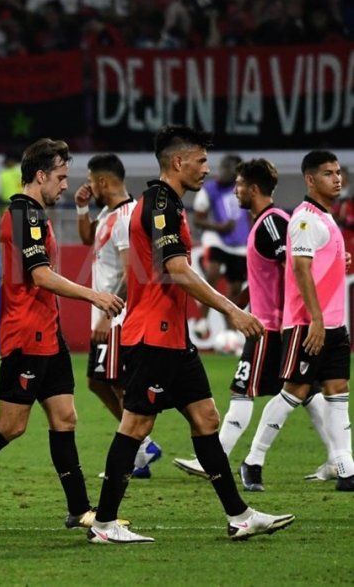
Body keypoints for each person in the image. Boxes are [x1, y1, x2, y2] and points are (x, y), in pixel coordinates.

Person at [88, 126, 293, 544]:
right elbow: (177, 270)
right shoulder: (160, 203)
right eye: (201, 160)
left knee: (206, 419)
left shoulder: (168, 203)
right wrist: (233, 310)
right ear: (178, 161)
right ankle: (104, 524)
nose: (207, 169)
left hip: (173, 338)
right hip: (152, 336)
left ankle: (239, 516)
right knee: (136, 425)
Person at [0, 138, 124, 532]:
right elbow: (40, 275)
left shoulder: (34, 214)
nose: (65, 185)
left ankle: (79, 509)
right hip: (26, 334)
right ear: (40, 176)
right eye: (61, 177)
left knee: (65, 417)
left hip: (47, 332)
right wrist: (93, 295)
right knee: (11, 424)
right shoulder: (22, 214)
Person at [174, 159, 331, 480]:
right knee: (306, 391)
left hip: (269, 326)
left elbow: (293, 269)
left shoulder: (272, 223)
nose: (236, 191)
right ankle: (338, 457)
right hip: (275, 322)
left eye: (240, 185)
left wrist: (292, 316)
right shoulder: (267, 221)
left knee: (242, 389)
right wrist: (239, 304)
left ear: (254, 189)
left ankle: (215, 459)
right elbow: (265, 275)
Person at [239, 150, 354, 493]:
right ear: (310, 179)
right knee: (295, 391)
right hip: (307, 323)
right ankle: (253, 461)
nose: (337, 178)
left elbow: (315, 264)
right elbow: (300, 269)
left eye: (338, 172)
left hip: (333, 324)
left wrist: (340, 260)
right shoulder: (304, 219)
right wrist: (315, 319)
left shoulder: (326, 218)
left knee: (337, 392)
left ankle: (346, 468)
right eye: (328, 173)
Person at [73, 154, 162, 478]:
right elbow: (87, 238)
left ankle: (139, 447)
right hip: (108, 313)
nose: (88, 186)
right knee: (99, 381)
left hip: (119, 317)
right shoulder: (109, 213)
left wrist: (108, 314)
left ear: (103, 182)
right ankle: (142, 446)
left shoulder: (127, 217)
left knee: (117, 384)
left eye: (90, 181)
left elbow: (132, 271)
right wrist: (82, 208)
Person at [191, 154, 249, 335]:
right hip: (217, 239)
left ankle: (230, 332)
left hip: (240, 243)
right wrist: (219, 227)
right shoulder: (209, 189)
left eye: (227, 170)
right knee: (213, 272)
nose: (222, 173)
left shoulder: (245, 189)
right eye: (222, 168)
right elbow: (198, 219)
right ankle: (202, 320)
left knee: (235, 288)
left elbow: (251, 215)